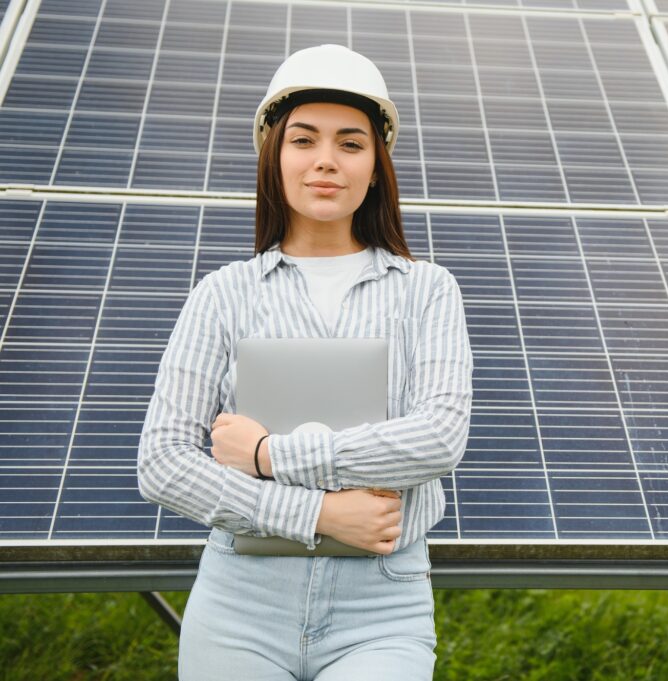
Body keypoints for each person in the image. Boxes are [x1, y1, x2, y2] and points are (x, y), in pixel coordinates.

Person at [136, 44, 473, 680]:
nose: (325, 161)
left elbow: (438, 438)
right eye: (303, 140)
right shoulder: (223, 294)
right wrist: (319, 515)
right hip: (240, 601)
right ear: (275, 155)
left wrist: (271, 457)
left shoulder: (428, 290)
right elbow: (162, 463)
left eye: (351, 144)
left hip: (383, 602)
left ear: (377, 167)